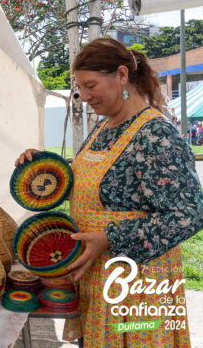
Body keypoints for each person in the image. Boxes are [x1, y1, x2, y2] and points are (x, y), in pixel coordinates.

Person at [15, 38, 203, 347]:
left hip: (136, 280)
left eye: (90, 85)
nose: (84, 96)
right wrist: (45, 168)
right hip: (98, 274)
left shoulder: (156, 134)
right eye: (80, 88)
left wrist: (110, 237)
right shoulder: (105, 126)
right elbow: (93, 185)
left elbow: (190, 214)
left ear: (122, 75)